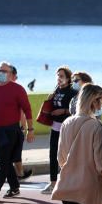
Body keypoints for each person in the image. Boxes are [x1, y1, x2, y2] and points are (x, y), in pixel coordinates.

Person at [0, 64, 34, 200]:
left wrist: (30, 130)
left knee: (3, 162)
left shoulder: (18, 89)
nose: (1, 73)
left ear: (11, 74)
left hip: (10, 131)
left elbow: (27, 110)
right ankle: (14, 187)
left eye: (4, 71)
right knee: (5, 160)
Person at [43, 66, 78, 194]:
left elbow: (76, 111)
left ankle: (69, 182)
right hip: (55, 126)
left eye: (62, 76)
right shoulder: (56, 90)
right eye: (58, 76)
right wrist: (50, 98)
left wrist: (63, 111)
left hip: (67, 127)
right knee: (53, 154)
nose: (59, 78)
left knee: (67, 155)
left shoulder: (72, 92)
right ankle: (52, 183)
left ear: (69, 79)